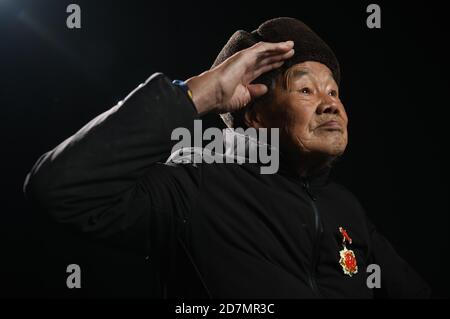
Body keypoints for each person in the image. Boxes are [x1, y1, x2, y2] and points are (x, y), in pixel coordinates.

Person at [24, 17, 430, 298]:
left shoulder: (348, 209)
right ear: (254, 115)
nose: (331, 105)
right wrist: (199, 94)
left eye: (334, 92)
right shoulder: (194, 184)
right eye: (306, 91)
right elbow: (58, 189)